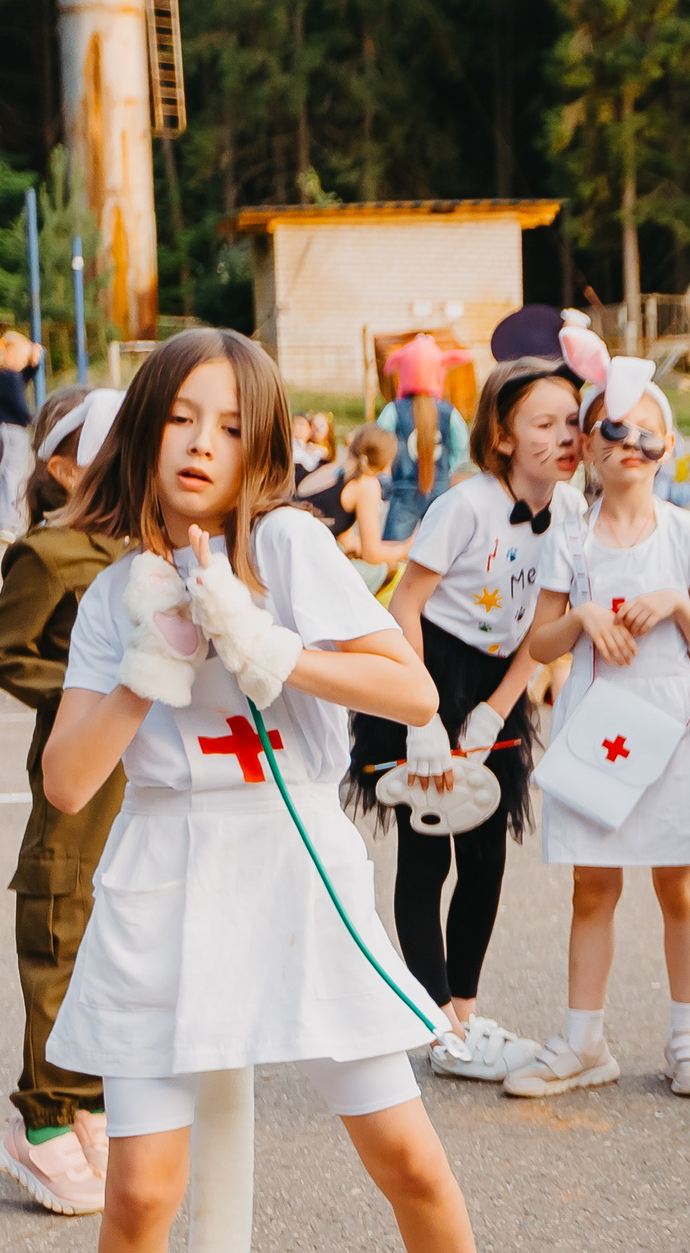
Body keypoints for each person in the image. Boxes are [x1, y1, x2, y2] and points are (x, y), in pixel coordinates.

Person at [33, 328, 591, 1253]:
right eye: (183, 417)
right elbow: (69, 784)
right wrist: (147, 663)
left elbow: (411, 689)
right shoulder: (108, 591)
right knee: (139, 1186)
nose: (202, 444)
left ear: (263, 448)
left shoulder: (287, 544)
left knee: (405, 1153)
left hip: (298, 875)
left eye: (231, 426)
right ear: (144, 427)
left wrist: (273, 645)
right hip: (166, 879)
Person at [348, 356, 583, 1083]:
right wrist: (422, 714)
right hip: (427, 665)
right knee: (429, 853)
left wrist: (496, 710)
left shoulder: (572, 513)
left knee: (487, 858)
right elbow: (404, 604)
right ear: (504, 436)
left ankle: (464, 1017)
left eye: (573, 421)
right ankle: (436, 1023)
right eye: (543, 424)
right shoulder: (466, 506)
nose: (564, 436)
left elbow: (544, 628)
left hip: (496, 681)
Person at [512, 354, 690, 1101]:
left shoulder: (687, 533)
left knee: (680, 880)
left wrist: (674, 602)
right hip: (597, 721)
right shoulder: (567, 539)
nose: (628, 443)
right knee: (592, 886)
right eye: (611, 428)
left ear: (666, 446)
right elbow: (539, 645)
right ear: (589, 443)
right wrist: (579, 620)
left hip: (672, 721)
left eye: (645, 431)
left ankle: (687, 1034)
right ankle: (583, 1040)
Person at [0, 386, 131, 1216]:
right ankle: (40, 1121)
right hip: (78, 780)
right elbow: (1, 655)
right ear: (64, 463)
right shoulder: (48, 552)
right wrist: (88, 697)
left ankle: (91, 1102)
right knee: (60, 934)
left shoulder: (147, 548)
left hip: (143, 781)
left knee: (117, 936)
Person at [378, 334, 474, 541]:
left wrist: (384, 475)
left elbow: (380, 442)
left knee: (394, 549)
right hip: (440, 486)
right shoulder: (449, 412)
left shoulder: (394, 410)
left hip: (403, 488)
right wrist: (448, 468)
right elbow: (461, 446)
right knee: (441, 546)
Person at [297, 425, 412, 593]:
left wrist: (392, 547)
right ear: (387, 462)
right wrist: (406, 548)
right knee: (387, 572)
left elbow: (346, 541)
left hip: (292, 553)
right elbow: (371, 554)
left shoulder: (330, 469)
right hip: (309, 568)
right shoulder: (366, 484)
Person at [0, 332, 41, 543]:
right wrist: (36, 422)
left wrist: (33, 367)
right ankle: (8, 525)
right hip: (12, 431)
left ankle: (6, 521)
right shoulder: (12, 376)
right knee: (12, 476)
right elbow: (19, 406)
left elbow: (19, 381)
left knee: (5, 476)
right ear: (15, 353)